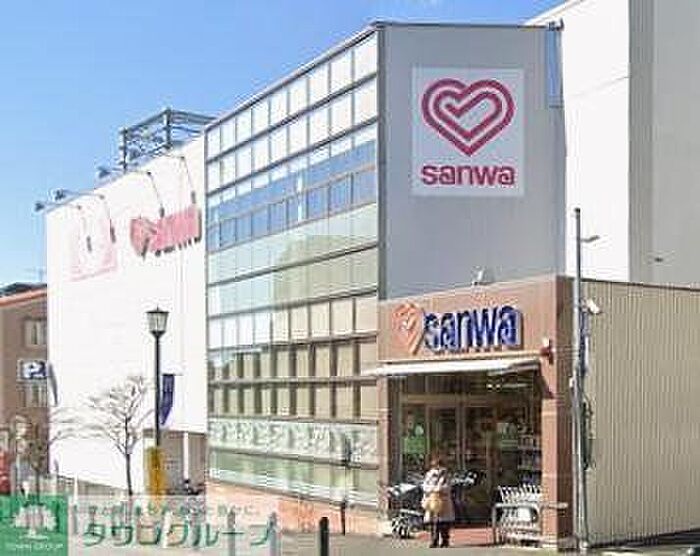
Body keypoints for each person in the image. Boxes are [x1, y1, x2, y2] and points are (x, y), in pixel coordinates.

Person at [422, 455, 454, 548]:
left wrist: (438, 489)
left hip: (443, 501)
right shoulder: (429, 474)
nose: (436, 466)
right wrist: (431, 489)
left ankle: (445, 540)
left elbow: (448, 486)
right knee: (433, 522)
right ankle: (434, 540)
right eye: (434, 465)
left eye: (437, 464)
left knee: (444, 522)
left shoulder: (446, 474)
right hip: (432, 500)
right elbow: (424, 486)